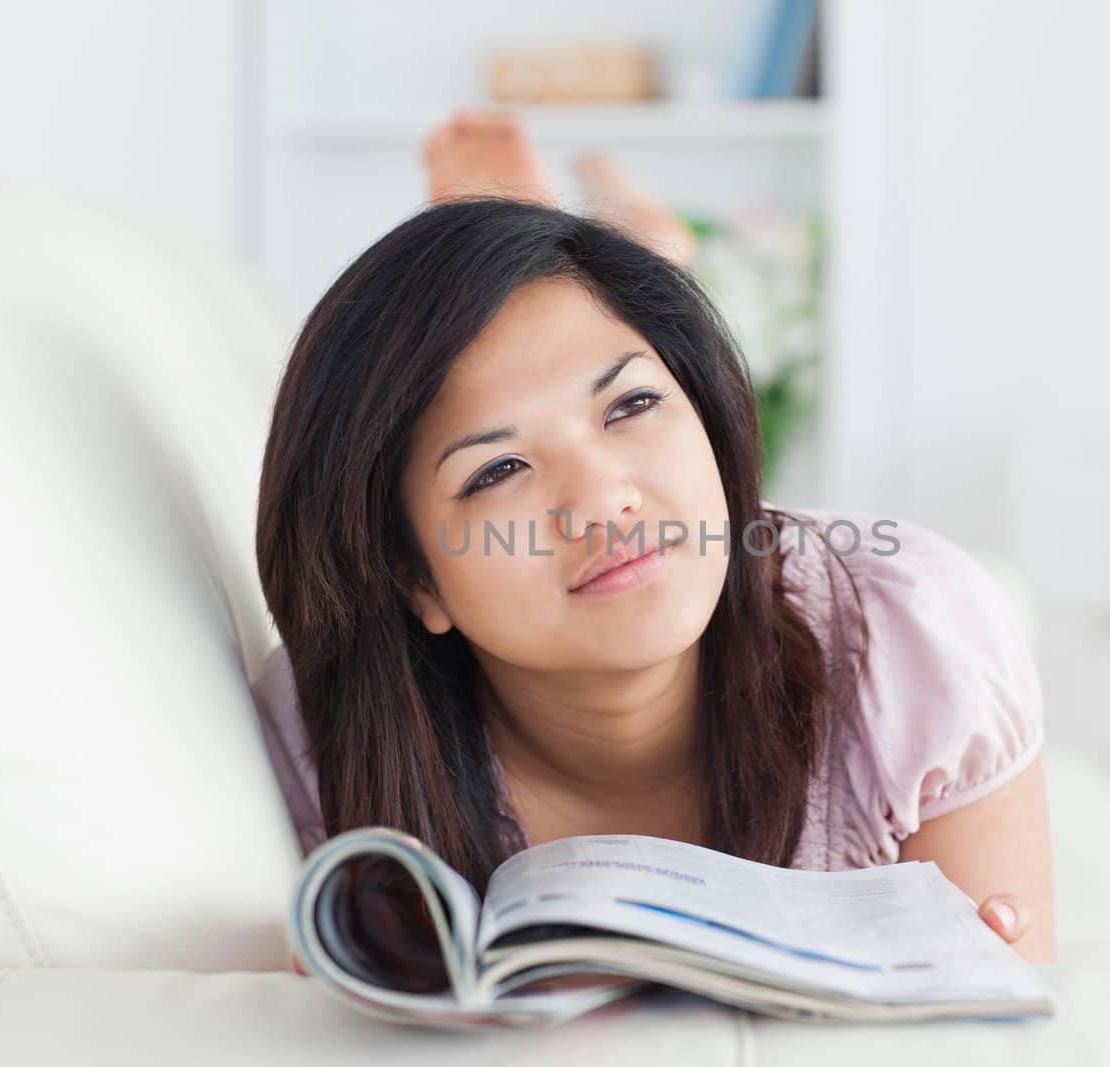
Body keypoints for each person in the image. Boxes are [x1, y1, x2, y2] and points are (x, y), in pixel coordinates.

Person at [255, 108, 1055, 968]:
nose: (603, 501)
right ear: (413, 578)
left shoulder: (912, 640)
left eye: (632, 405)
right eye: (497, 471)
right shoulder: (326, 732)